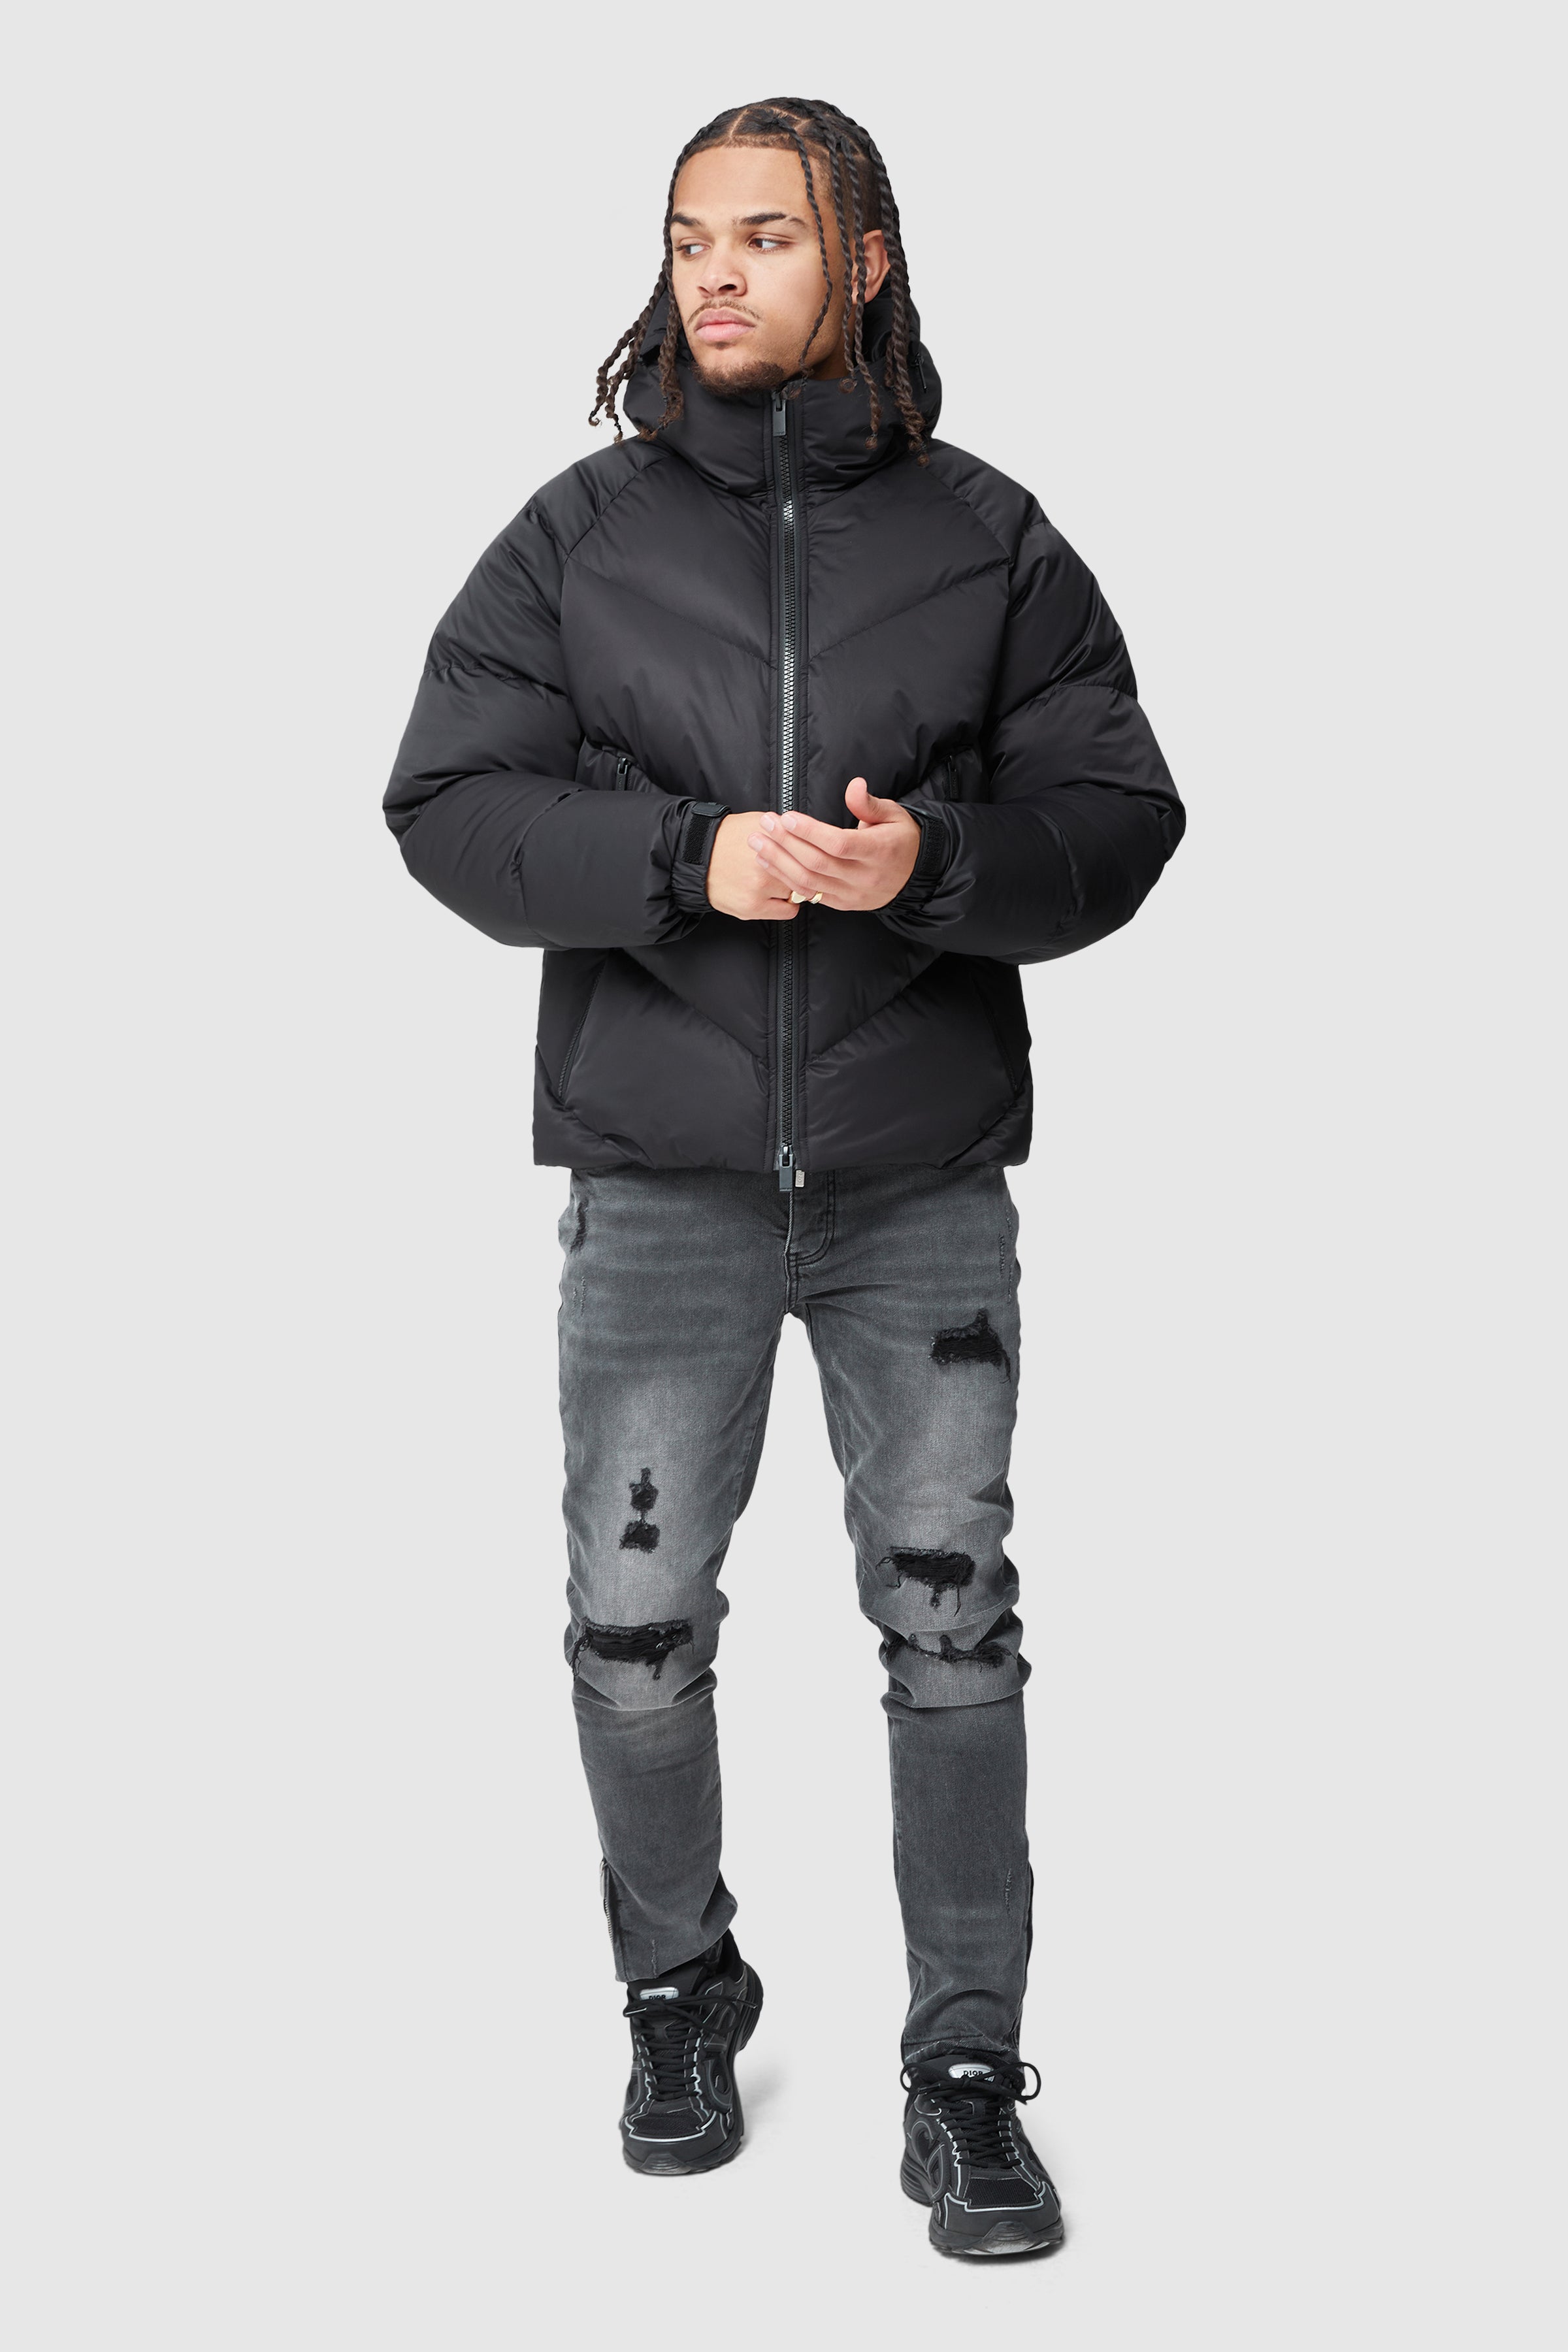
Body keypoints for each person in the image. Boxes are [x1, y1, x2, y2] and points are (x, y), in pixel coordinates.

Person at [384, 96, 1183, 2260]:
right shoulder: (578, 535)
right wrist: (685, 859)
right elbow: (448, 803)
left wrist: (938, 865)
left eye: (764, 236)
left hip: (922, 1180)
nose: (715, 274)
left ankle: (963, 2072)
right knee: (635, 1627)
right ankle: (682, 1989)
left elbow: (1122, 820)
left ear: (867, 263)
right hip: (663, 1184)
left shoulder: (992, 540)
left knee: (953, 1622)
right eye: (688, 238)